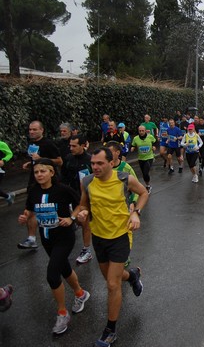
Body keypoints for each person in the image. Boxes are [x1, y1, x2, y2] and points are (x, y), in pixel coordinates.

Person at [73, 147, 148, 347]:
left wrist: (136, 213)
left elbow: (143, 193)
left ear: (110, 163)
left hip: (121, 236)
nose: (95, 167)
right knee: (111, 278)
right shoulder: (87, 182)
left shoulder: (124, 179)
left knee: (112, 285)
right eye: (93, 164)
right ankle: (132, 275)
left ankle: (110, 330)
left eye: (100, 163)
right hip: (99, 236)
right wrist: (81, 214)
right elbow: (83, 205)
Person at [18, 159, 91, 335]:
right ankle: (81, 294)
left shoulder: (63, 190)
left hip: (64, 237)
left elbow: (80, 205)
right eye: (36, 172)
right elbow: (30, 210)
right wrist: (25, 217)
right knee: (64, 268)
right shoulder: (34, 191)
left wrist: (71, 218)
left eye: (43, 171)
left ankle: (62, 313)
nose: (39, 175)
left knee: (52, 275)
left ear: (52, 172)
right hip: (46, 238)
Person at [19, 120, 63, 250]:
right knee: (31, 209)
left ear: (41, 130)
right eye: (30, 130)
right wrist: (30, 163)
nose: (31, 132)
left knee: (53, 208)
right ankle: (32, 238)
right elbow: (35, 159)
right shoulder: (32, 143)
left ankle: (62, 230)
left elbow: (59, 161)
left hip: (50, 182)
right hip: (33, 181)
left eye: (34, 130)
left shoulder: (48, 144)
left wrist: (41, 159)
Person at [61, 134, 94, 265]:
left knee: (84, 221)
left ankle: (87, 250)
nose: (71, 148)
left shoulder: (90, 160)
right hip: (72, 195)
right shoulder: (68, 159)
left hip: (87, 196)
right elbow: (63, 177)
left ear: (82, 145)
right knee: (81, 222)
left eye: (74, 146)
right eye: (70, 145)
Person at [130, 125, 156, 192]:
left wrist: (154, 147)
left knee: (145, 172)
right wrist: (132, 148)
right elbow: (133, 145)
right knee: (144, 173)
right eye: (140, 131)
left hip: (149, 157)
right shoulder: (136, 138)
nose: (141, 132)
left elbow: (154, 142)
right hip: (141, 158)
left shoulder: (150, 137)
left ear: (145, 131)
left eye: (142, 131)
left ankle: (148, 186)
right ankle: (148, 185)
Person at [0, 139, 16, 205]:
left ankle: (8, 197)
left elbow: (10, 153)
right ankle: (8, 196)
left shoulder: (1, 144)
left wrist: (3, 160)